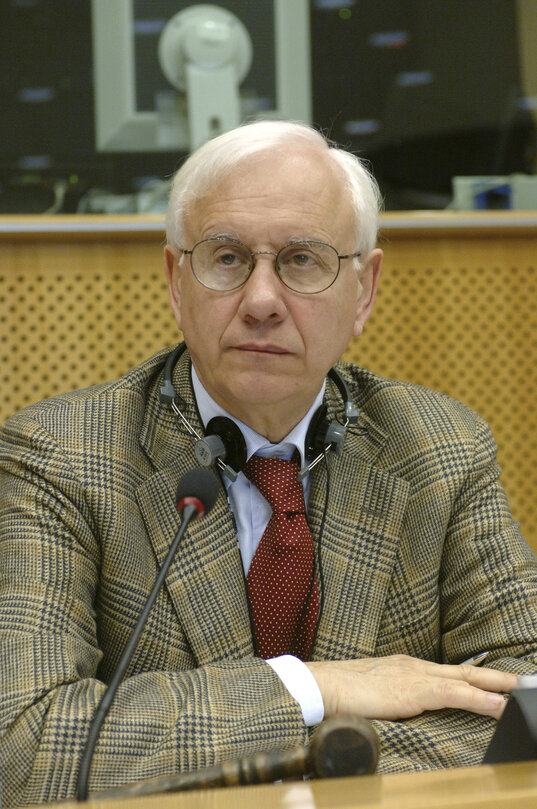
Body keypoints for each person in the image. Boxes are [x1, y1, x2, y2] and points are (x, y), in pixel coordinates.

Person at [0, 120, 536, 807]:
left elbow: (522, 698)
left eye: (302, 261)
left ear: (363, 291)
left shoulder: (437, 446)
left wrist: (262, 770)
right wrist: (314, 688)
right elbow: (25, 746)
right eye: (226, 258)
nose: (259, 302)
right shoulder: (61, 456)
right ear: (175, 281)